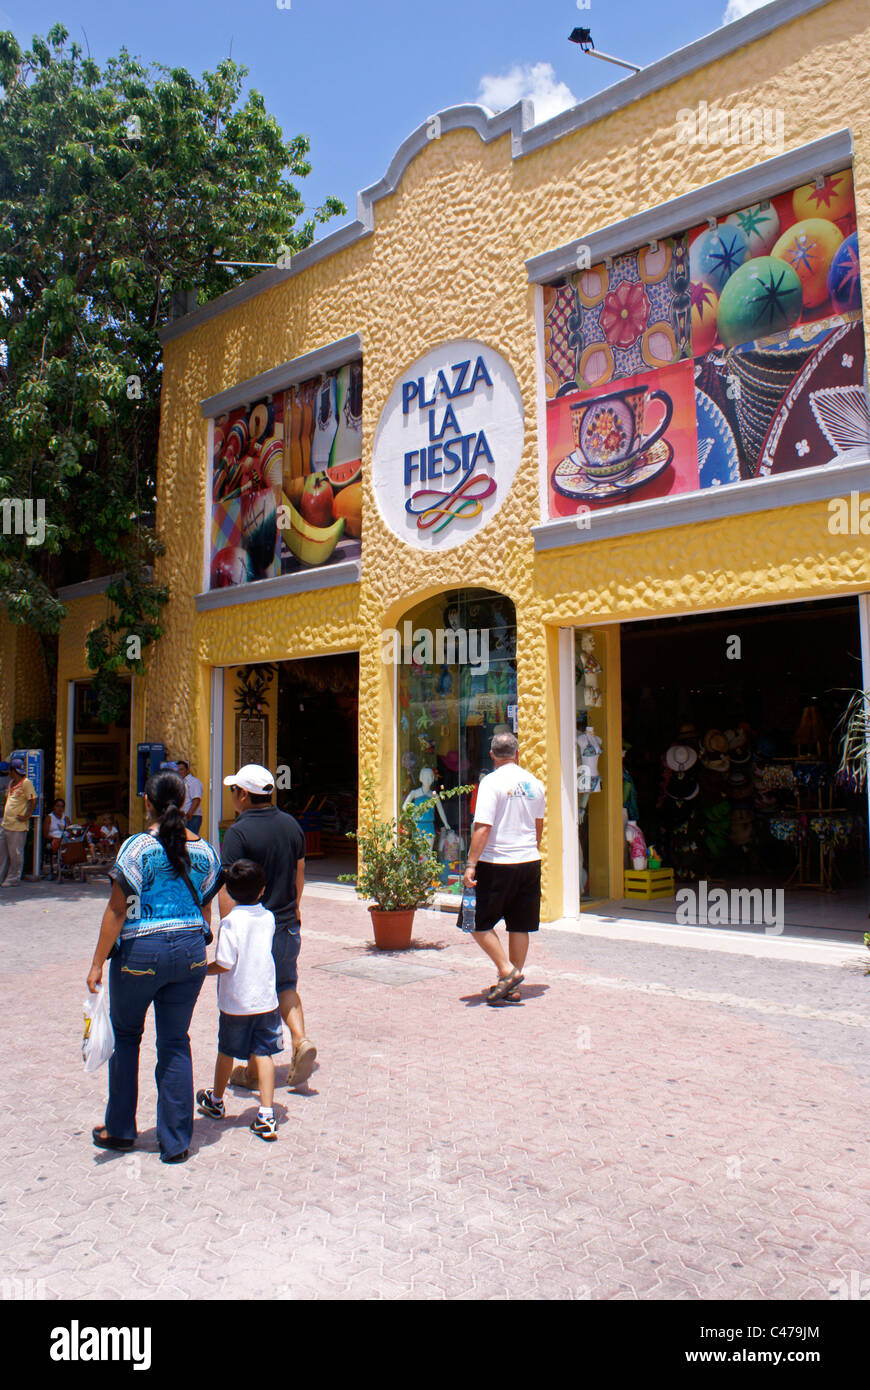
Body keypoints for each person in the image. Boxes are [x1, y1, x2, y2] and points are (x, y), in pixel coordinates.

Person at [86, 770, 222, 1163]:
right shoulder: (207, 852)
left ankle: (121, 1130)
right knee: (176, 1041)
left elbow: (117, 908)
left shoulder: (136, 849)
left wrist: (97, 963)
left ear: (147, 802)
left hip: (140, 954)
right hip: (190, 952)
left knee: (126, 1038)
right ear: (183, 801)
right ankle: (176, 1141)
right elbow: (206, 908)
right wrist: (197, 943)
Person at [219, 764, 315, 1089]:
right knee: (285, 984)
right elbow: (300, 874)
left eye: (234, 790)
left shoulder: (237, 833)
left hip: (253, 927)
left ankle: (251, 1070)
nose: (233, 796)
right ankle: (300, 1040)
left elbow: (227, 885)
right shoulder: (291, 825)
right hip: (287, 922)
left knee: (251, 995)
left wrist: (227, 926)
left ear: (243, 795)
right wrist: (296, 907)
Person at [196, 859, 282, 1141]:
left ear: (230, 892)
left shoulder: (231, 922)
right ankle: (267, 1114)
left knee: (227, 1052)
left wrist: (202, 970)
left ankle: (217, 1101)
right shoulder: (269, 917)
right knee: (264, 1053)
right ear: (262, 890)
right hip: (265, 1000)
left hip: (235, 1002)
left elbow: (225, 962)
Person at [462, 732, 546, 1005]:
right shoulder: (535, 783)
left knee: (474, 920)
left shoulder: (490, 782)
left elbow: (483, 827)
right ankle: (512, 984)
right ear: (517, 753)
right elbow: (538, 827)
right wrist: (529, 850)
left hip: (497, 862)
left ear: (492, 755)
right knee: (520, 924)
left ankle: (507, 972)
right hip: (529, 860)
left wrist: (471, 863)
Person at [0, 757, 37, 888]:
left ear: (12, 770)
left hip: (17, 826)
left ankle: (13, 878)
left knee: (16, 854)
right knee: (2, 854)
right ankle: (2, 877)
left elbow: (33, 799)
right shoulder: (11, 784)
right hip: (5, 824)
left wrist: (27, 816)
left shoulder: (26, 783)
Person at [177, 759, 203, 835]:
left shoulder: (194, 782)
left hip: (192, 817)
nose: (179, 771)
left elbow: (196, 799)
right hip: (184, 817)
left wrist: (189, 814)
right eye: (178, 770)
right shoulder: (182, 782)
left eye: (182, 769)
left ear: (187, 770)